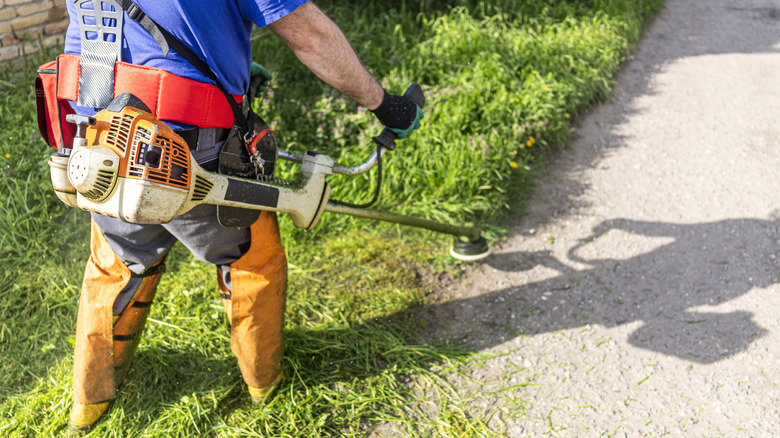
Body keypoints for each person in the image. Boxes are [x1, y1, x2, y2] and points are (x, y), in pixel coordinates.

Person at [56, 0, 423, 430]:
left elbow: (118, 29)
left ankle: (89, 400)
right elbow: (312, 37)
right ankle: (264, 384)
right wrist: (385, 105)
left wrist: (227, 71)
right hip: (183, 151)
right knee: (254, 259)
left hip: (95, 139)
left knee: (117, 263)